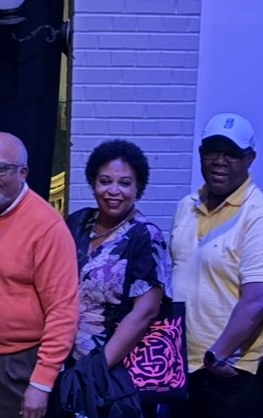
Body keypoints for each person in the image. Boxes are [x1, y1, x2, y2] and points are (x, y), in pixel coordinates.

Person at [0, 132, 78, 418]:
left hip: (17, 364)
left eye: (1, 168)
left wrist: (42, 382)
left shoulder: (47, 226)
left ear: (23, 173)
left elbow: (63, 310)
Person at [168, 113, 263, 418]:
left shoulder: (261, 215)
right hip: (180, 367)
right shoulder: (186, 206)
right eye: (212, 151)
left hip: (228, 371)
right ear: (200, 154)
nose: (220, 161)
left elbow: (257, 300)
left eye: (231, 153)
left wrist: (216, 356)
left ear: (250, 159)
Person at [61, 139, 170, 416]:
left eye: (124, 183)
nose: (113, 191)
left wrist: (96, 369)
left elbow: (145, 312)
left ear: (138, 188)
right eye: (105, 181)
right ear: (93, 182)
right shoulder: (77, 222)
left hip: (114, 370)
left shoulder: (146, 235)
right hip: (66, 362)